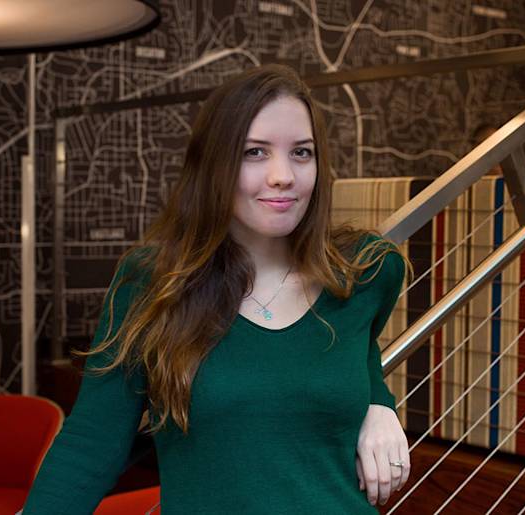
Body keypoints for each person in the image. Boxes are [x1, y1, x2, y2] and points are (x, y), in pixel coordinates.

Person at [22, 64, 411, 514]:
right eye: (255, 152)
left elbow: (356, 351)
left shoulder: (366, 270)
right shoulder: (152, 281)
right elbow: (92, 440)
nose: (283, 175)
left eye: (302, 152)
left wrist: (379, 403)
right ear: (214, 163)